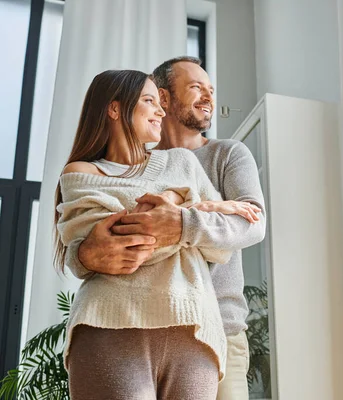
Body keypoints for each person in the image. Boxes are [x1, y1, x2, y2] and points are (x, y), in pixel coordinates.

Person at [55, 69, 260, 400]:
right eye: (149, 101)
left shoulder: (185, 161)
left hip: (196, 329)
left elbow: (221, 246)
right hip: (110, 324)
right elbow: (128, 246)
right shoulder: (81, 172)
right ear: (114, 108)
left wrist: (176, 215)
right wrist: (191, 204)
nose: (160, 112)